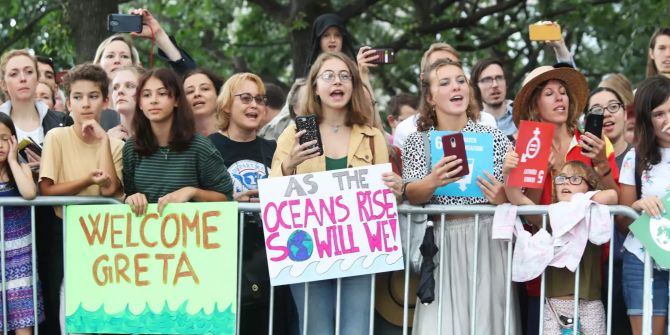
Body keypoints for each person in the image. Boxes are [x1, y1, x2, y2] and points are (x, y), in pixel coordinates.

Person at [271, 51, 389, 334]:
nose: (337, 82)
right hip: (307, 249)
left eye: (345, 76)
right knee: (316, 329)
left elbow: (387, 192)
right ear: (315, 86)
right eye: (329, 76)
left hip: (360, 249)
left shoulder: (371, 136)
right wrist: (289, 165)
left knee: (356, 329)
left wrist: (393, 189)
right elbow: (272, 192)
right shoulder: (297, 132)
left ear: (354, 85)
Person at [401, 58, 517, 334]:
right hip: (442, 241)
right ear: (430, 97)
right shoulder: (419, 140)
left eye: (460, 80)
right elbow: (410, 193)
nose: (456, 87)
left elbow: (510, 195)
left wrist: (502, 195)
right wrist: (433, 181)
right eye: (445, 83)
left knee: (488, 322)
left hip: (487, 241)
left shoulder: (494, 137)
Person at [512, 64, 620, 335]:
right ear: (535, 105)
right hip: (544, 272)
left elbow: (617, 200)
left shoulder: (591, 143)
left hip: (588, 270)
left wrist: (600, 164)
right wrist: (541, 173)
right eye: (549, 93)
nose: (560, 98)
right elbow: (531, 215)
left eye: (563, 92)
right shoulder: (527, 146)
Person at [38, 63, 124, 334]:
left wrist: (103, 142)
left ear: (106, 101)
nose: (85, 104)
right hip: (67, 238)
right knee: (69, 313)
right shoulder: (56, 137)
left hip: (107, 240)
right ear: (68, 102)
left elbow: (110, 189)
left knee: (107, 314)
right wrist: (87, 180)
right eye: (77, 97)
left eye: (93, 96)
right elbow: (48, 190)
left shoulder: (117, 144)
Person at [505, 157, 617, 334]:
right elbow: (517, 198)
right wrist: (507, 174)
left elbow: (612, 195)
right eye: (562, 178)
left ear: (590, 186)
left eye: (575, 179)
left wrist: (583, 200)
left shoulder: (593, 212)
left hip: (589, 304)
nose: (566, 182)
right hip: (554, 305)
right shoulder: (552, 215)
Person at [123, 68, 233, 216]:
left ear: (176, 100)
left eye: (162, 93)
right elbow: (127, 196)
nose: (154, 100)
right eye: (146, 95)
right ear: (140, 104)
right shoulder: (131, 147)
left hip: (193, 235)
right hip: (146, 236)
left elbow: (226, 198)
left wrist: (192, 192)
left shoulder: (200, 146)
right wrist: (131, 198)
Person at [619, 75, 670, 335]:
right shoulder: (634, 157)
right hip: (643, 258)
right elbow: (623, 218)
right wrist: (638, 204)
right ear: (647, 119)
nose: (667, 120)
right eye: (659, 113)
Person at [586, 86, 633, 335]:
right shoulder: (580, 162)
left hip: (631, 266)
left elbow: (625, 212)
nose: (606, 115)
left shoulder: (641, 157)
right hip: (594, 270)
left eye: (613, 107)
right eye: (597, 111)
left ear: (625, 113)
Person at [393, 43, 497, 151]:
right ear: (424, 81)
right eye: (438, 67)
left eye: (455, 67)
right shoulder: (406, 131)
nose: (455, 86)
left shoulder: (486, 122)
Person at [0, 113, 42, 334]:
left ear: (14, 141)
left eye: (4, 138)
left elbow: (28, 193)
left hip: (20, 255)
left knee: (23, 321)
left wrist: (13, 161)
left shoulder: (21, 168)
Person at [470, 58, 517, 137]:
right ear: (476, 87)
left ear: (506, 83)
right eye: (487, 80)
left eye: (499, 78)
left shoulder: (525, 114)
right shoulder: (471, 125)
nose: (495, 85)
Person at [107, 65, 145, 141]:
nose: (120, 91)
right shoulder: (106, 139)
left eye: (129, 86)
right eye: (115, 87)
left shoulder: (160, 138)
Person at [183, 68, 223, 136]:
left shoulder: (238, 134)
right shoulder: (178, 142)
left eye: (205, 89)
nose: (197, 94)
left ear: (218, 95)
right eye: (190, 91)